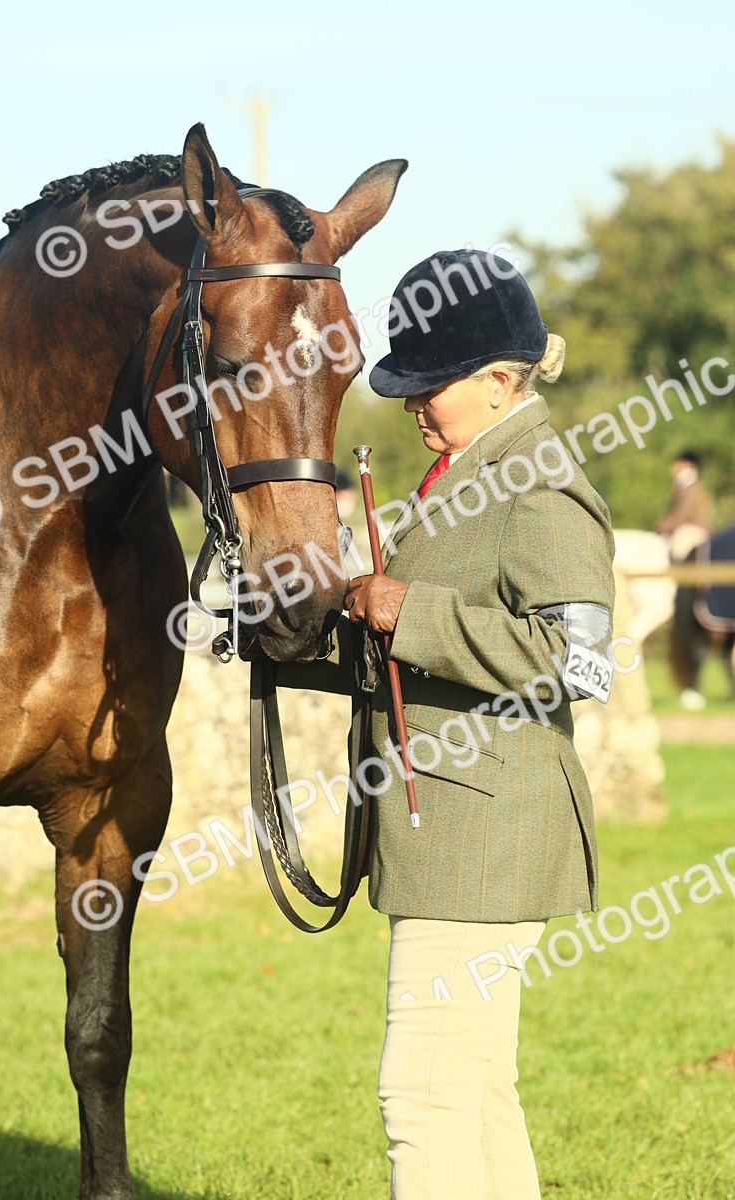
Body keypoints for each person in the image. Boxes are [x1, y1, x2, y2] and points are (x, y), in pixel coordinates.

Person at [280, 248, 616, 1200]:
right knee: (476, 1103)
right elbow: (403, 641)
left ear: (502, 381)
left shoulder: (540, 486)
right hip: (454, 834)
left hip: (487, 838)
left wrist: (407, 611)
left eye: (432, 387)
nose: (412, 406)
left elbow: (579, 661)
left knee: (422, 1102)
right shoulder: (466, 468)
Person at [655, 449, 713, 563]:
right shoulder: (682, 487)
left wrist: (661, 527)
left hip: (694, 531)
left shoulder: (691, 489)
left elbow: (681, 515)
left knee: (676, 550)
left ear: (687, 465)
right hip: (689, 529)